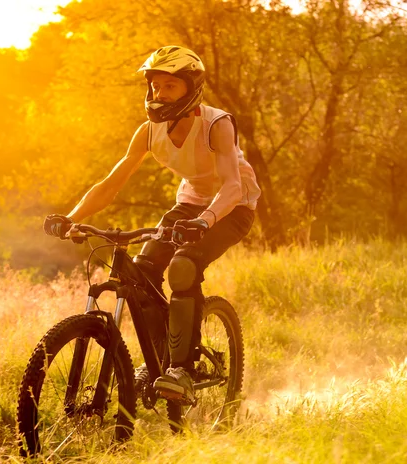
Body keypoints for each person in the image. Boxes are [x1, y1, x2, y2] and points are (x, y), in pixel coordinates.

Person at [43, 45, 261, 405]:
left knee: (184, 265)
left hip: (233, 206)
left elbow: (232, 185)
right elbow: (110, 185)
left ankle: (183, 370)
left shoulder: (217, 123)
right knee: (140, 273)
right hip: (190, 203)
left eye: (170, 86)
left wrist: (204, 222)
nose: (160, 94)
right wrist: (72, 218)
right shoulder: (148, 132)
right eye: (156, 86)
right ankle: (159, 361)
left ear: (191, 87)